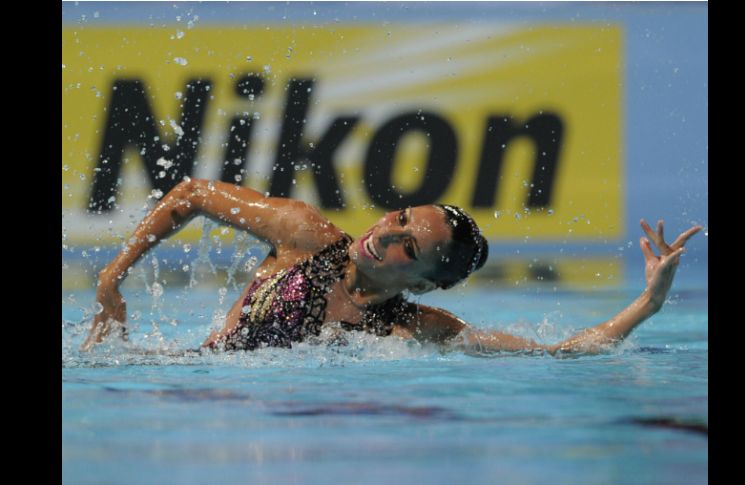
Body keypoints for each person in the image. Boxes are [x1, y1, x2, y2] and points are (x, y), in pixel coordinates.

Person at [80, 178, 701, 355]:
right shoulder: (304, 236)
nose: (385, 234)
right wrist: (114, 276)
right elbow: (189, 196)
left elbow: (559, 353)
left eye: (410, 245)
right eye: (400, 218)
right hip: (195, 380)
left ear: (427, 281)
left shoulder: (416, 329)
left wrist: (646, 305)